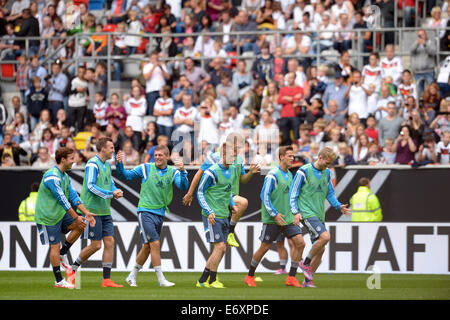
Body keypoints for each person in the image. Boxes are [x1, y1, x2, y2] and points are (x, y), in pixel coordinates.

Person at [116, 145, 188, 287]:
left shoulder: (173, 172)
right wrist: (119, 164)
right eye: (156, 155)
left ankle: (132, 276)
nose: (157, 157)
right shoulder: (146, 168)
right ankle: (161, 280)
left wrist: (183, 172)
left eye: (161, 155)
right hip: (145, 211)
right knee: (154, 243)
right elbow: (125, 175)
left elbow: (183, 186)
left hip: (160, 213)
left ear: (167, 157)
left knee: (148, 247)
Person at [289, 147, 351, 287]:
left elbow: (330, 193)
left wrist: (338, 206)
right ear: (320, 157)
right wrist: (295, 212)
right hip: (306, 212)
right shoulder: (303, 171)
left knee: (321, 249)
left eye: (330, 164)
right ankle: (305, 263)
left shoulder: (327, 173)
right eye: (326, 162)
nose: (327, 166)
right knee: (325, 237)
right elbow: (293, 193)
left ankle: (307, 281)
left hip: (318, 214)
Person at [183, 135, 260, 248]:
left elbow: (242, 179)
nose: (238, 148)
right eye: (236, 145)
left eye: (239, 146)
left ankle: (230, 232)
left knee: (221, 247)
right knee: (242, 203)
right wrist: (190, 193)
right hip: (217, 197)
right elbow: (199, 173)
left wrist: (251, 173)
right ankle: (231, 232)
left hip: (229, 197)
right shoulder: (214, 157)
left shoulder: (238, 159)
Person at [34, 147, 95, 289]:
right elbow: (62, 199)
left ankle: (62, 253)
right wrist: (76, 216)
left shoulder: (65, 177)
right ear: (63, 159)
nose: (74, 161)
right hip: (47, 217)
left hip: (59, 214)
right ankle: (59, 280)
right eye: (72, 158)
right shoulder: (52, 176)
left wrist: (85, 213)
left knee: (81, 224)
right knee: (54, 245)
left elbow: (73, 196)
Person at [244, 146, 305, 288]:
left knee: (300, 243)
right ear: (281, 157)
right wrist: (275, 214)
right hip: (273, 218)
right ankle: (250, 276)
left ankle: (291, 277)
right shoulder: (273, 175)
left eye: (293, 156)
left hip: (287, 218)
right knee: (264, 247)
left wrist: (296, 212)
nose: (292, 159)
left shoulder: (289, 175)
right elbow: (264, 196)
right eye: (289, 156)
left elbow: (292, 197)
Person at [69, 137, 124, 288]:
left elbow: (110, 183)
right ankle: (72, 270)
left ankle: (106, 280)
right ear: (103, 149)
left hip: (105, 210)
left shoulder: (106, 164)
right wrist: (111, 194)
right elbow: (90, 186)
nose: (113, 150)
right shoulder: (93, 164)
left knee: (110, 242)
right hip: (92, 211)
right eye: (111, 147)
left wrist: (115, 190)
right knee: (95, 245)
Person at [196, 141, 239, 288]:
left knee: (221, 248)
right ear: (223, 154)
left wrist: (232, 205)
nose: (234, 159)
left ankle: (202, 281)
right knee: (220, 247)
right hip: (212, 215)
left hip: (224, 214)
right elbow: (200, 192)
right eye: (232, 156)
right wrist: (209, 211)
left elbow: (228, 190)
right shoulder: (211, 171)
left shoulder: (232, 170)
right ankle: (213, 281)